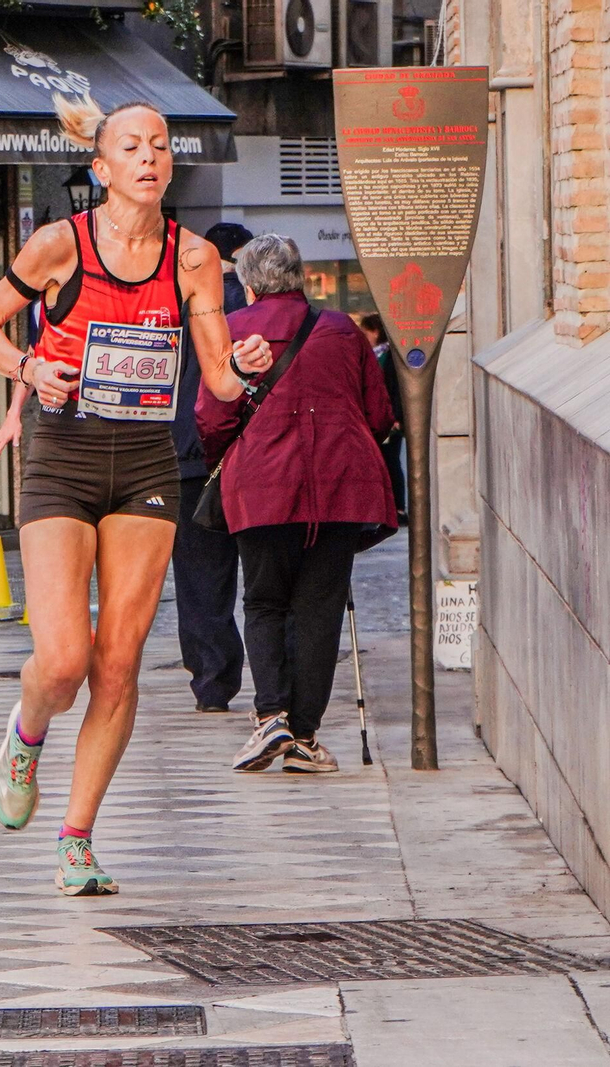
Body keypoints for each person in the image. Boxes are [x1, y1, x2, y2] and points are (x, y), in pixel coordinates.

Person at [0, 95, 273, 896]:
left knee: (120, 662)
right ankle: (27, 731)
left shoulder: (193, 258)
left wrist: (247, 365)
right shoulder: (58, 244)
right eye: (132, 146)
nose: (149, 157)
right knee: (65, 659)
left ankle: (77, 837)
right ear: (101, 168)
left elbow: (218, 378)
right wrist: (30, 368)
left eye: (160, 145)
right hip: (62, 459)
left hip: (144, 465)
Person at [197, 234, 396, 774]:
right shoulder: (342, 330)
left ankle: (271, 718)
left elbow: (212, 418)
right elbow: (379, 415)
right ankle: (305, 736)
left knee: (264, 601)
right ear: (300, 277)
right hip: (340, 485)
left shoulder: (232, 331)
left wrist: (233, 455)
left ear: (249, 284)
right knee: (320, 610)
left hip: (262, 485)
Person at [169, 221, 252, 714]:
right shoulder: (252, 305)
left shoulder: (177, 307)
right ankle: (279, 680)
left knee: (200, 576)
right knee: (265, 574)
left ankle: (212, 682)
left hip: (189, 454)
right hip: (250, 454)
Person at [359, 312, 406, 523]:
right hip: (376, 417)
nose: (364, 337)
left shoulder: (390, 358)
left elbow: (396, 389)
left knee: (390, 461)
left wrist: (396, 416)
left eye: (366, 332)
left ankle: (398, 508)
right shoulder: (371, 356)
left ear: (376, 332)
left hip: (390, 419)